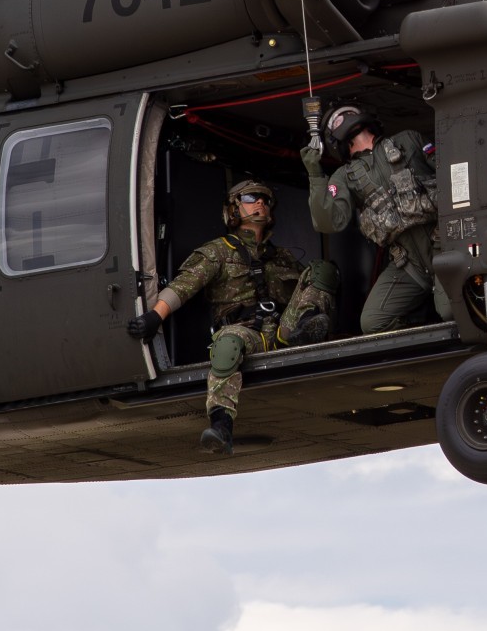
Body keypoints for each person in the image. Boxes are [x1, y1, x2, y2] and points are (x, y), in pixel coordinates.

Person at [125, 178, 338, 455]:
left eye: (265, 199)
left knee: (322, 269)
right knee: (226, 345)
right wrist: (155, 317)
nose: (260, 202)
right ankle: (221, 426)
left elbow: (311, 289)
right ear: (234, 209)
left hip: (285, 331)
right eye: (250, 198)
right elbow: (182, 287)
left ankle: (305, 331)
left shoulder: (283, 257)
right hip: (245, 332)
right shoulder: (217, 251)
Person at [301, 104, 440, 334]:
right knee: (373, 322)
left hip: (442, 244)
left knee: (449, 309)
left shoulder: (408, 140)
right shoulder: (345, 176)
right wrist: (315, 175)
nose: (344, 118)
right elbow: (328, 222)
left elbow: (451, 174)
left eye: (348, 112)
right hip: (408, 263)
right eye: (336, 120)